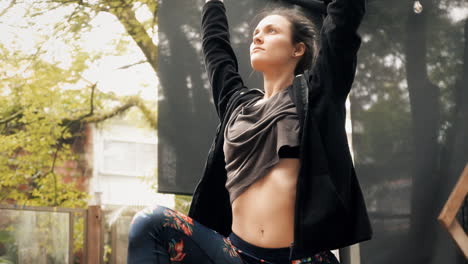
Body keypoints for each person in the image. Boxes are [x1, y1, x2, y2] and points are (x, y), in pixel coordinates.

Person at [127, 0, 372, 263]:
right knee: (151, 223)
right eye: (256, 32)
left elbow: (342, 25)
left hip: (298, 258)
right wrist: (213, 4)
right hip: (235, 255)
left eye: (271, 31)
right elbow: (216, 51)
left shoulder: (315, 97)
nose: (258, 35)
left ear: (297, 49)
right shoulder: (237, 106)